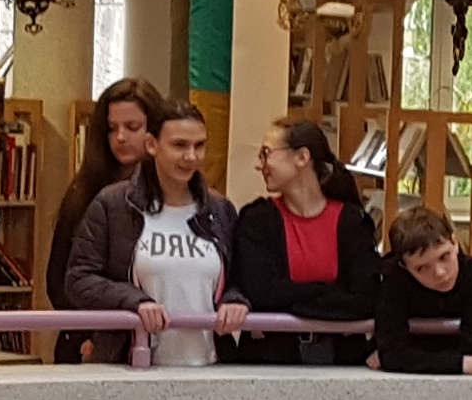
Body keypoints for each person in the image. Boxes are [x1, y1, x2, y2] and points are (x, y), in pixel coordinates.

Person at [58, 99, 240, 367]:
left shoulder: (221, 210)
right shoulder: (112, 204)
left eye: (199, 145)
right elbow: (79, 280)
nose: (191, 156)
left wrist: (236, 300)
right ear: (152, 145)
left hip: (211, 364)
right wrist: (135, 301)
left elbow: (240, 277)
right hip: (131, 365)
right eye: (179, 145)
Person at [226, 119, 377, 366]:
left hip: (342, 361)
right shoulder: (256, 220)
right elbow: (261, 294)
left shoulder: (352, 222)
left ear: (302, 157)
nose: (259, 165)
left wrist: (290, 299)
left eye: (266, 153)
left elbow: (365, 299)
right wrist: (329, 291)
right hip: (269, 361)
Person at [43, 80, 165, 362]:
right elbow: (60, 279)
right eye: (112, 128)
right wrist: (89, 333)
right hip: (87, 340)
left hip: (155, 336)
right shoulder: (83, 192)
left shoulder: (174, 195)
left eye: (132, 127)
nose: (120, 137)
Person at [372, 205, 472, 377]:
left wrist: (412, 358)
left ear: (455, 243)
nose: (440, 273)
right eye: (422, 268)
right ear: (404, 267)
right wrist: (464, 363)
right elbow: (392, 353)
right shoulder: (393, 279)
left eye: (444, 256)